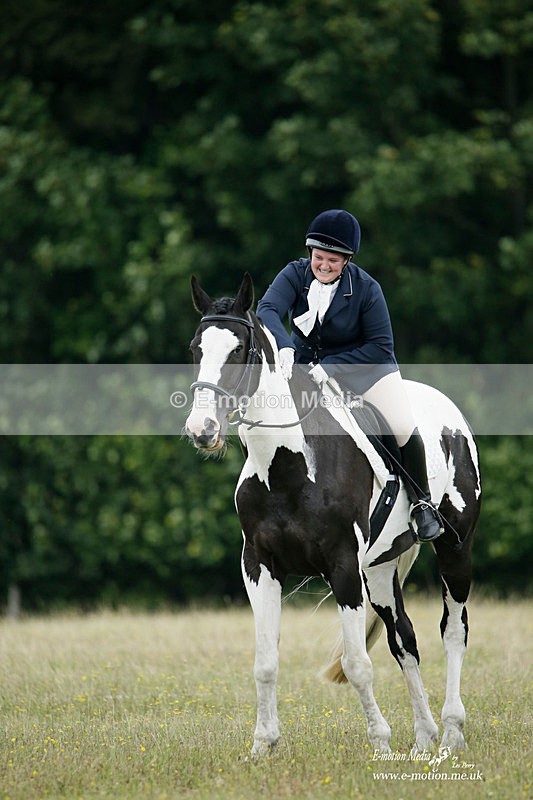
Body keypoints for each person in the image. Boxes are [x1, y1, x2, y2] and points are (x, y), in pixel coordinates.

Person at [256, 209, 443, 542]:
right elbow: (267, 310)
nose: (324, 265)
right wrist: (284, 347)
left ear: (346, 260)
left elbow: (379, 345)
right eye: (318, 257)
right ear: (309, 253)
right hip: (303, 367)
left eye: (333, 260)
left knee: (400, 424)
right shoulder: (294, 274)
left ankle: (421, 503)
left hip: (366, 370)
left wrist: (330, 367)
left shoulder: (367, 290)